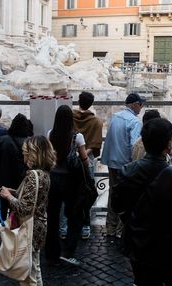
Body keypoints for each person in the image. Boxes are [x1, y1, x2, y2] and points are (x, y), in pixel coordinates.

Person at [112, 118, 172, 286]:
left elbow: (117, 206)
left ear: (145, 143)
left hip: (140, 247)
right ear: (169, 145)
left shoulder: (128, 171)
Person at [0, 136, 55, 286]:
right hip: (39, 225)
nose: (23, 155)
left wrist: (8, 196)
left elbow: (24, 208)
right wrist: (13, 192)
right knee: (34, 268)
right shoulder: (44, 173)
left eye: (25, 152)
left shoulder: (32, 175)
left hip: (30, 227)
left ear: (33, 154)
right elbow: (33, 199)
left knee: (28, 274)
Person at [45, 105, 89, 266]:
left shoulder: (50, 134)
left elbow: (49, 156)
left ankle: (51, 254)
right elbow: (84, 159)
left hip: (54, 179)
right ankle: (68, 251)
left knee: (53, 217)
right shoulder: (77, 137)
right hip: (71, 181)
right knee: (74, 216)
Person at [100, 93, 144, 238]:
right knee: (125, 197)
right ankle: (120, 230)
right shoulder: (135, 122)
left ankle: (110, 228)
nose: (141, 107)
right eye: (140, 104)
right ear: (133, 104)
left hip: (112, 161)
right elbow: (135, 146)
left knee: (113, 194)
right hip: (126, 164)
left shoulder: (116, 117)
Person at [72, 91, 103, 239]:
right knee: (86, 194)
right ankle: (85, 227)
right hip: (87, 161)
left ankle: (67, 227)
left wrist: (75, 153)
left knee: (70, 193)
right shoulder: (96, 122)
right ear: (91, 103)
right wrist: (83, 153)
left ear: (79, 101)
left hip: (70, 160)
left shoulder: (70, 117)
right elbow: (95, 144)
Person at [0, 113, 33, 221]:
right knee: (16, 215)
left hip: (2, 183)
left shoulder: (2, 140)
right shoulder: (29, 143)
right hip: (19, 185)